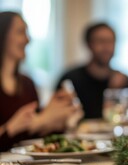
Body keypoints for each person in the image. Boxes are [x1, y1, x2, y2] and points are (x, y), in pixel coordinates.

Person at [0, 11, 77, 151]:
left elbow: (34, 138)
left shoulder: (27, 84)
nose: (27, 39)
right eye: (20, 32)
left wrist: (57, 117)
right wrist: (10, 128)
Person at [56, 22, 128, 119]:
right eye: (101, 41)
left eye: (110, 41)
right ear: (88, 44)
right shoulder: (70, 79)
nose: (106, 47)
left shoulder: (123, 81)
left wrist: (114, 92)